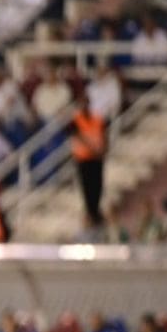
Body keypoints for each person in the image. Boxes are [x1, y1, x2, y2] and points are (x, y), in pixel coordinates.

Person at [70, 94, 107, 232]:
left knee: (98, 186)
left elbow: (104, 135)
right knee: (87, 188)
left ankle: (96, 212)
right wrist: (94, 149)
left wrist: (102, 151)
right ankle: (91, 214)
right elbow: (78, 136)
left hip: (97, 159)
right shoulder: (76, 120)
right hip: (83, 159)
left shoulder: (97, 119)